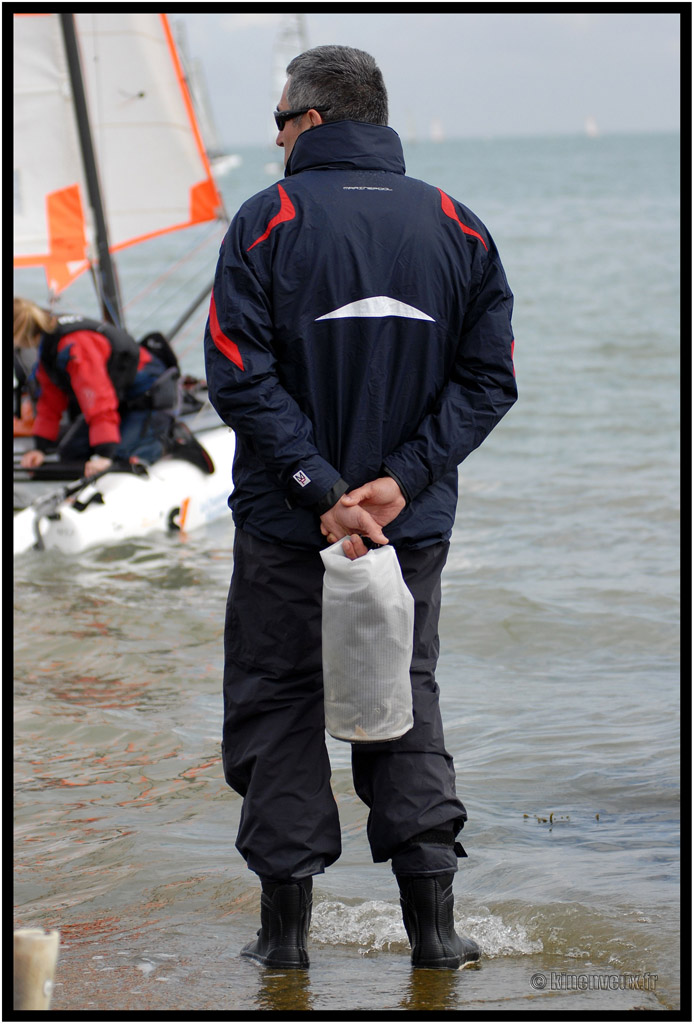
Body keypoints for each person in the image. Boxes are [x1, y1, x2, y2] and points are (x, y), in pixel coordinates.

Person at [204, 45, 517, 970]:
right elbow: (490, 380)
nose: (276, 138)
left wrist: (321, 491)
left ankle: (285, 945)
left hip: (288, 523)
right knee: (405, 701)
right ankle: (435, 936)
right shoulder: (459, 225)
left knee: (279, 705)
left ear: (305, 119)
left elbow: (236, 377)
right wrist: (405, 480)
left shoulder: (268, 221)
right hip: (405, 524)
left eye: (276, 123)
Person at [13, 297, 179, 478]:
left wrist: (104, 454)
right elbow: (50, 400)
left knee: (120, 460)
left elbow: (98, 398)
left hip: (147, 397)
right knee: (71, 454)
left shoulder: (74, 346)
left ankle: (173, 441)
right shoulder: (47, 345)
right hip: (118, 398)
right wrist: (41, 449)